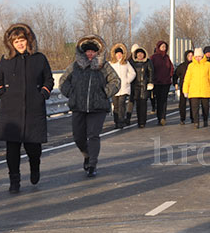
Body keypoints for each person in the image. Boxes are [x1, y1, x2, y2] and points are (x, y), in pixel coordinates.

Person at [0, 23, 53, 194]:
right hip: (11, 111)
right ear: (10, 43)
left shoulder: (39, 58)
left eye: (22, 40)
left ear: (28, 41)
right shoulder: (6, 60)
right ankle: (14, 179)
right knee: (12, 149)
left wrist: (42, 94)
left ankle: (35, 167)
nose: (19, 44)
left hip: (34, 110)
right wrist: (2, 93)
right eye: (16, 41)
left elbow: (49, 80)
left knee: (33, 148)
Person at [59, 35, 120, 178]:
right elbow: (63, 81)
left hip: (97, 107)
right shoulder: (75, 66)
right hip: (78, 106)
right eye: (87, 51)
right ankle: (86, 155)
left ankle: (92, 164)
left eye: (93, 51)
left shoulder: (104, 66)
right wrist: (72, 93)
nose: (90, 54)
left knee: (93, 135)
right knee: (78, 136)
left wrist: (104, 93)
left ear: (98, 52)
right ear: (83, 52)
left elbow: (116, 81)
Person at [182, 47, 210, 128]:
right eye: (196, 56)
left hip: (205, 89)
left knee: (205, 107)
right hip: (194, 90)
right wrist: (185, 90)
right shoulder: (191, 66)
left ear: (202, 56)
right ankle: (196, 122)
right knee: (194, 108)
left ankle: (205, 120)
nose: (198, 58)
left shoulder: (208, 65)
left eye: (200, 56)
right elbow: (187, 79)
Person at [109, 43, 136, 129]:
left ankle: (121, 121)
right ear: (115, 54)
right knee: (116, 105)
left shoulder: (126, 63)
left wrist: (128, 80)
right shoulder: (111, 64)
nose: (119, 55)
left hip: (124, 87)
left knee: (121, 104)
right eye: (117, 54)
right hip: (114, 88)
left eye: (120, 54)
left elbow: (133, 73)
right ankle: (116, 121)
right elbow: (107, 74)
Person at [128, 44, 154, 128]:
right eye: (138, 53)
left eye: (141, 53)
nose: (140, 55)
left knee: (143, 104)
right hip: (135, 86)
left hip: (144, 85)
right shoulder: (132, 63)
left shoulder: (147, 62)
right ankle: (139, 120)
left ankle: (142, 121)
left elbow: (151, 72)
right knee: (138, 104)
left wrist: (150, 82)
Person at [151, 40, 174, 126]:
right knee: (158, 100)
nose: (163, 48)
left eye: (165, 47)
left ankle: (163, 117)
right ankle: (159, 116)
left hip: (166, 82)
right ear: (158, 47)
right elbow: (151, 69)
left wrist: (170, 75)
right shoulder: (153, 57)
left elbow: (171, 68)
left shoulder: (167, 57)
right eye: (162, 47)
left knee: (164, 100)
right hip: (157, 82)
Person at [172, 49, 194, 125]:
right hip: (184, 86)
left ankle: (193, 117)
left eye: (192, 56)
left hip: (193, 86)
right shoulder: (182, 66)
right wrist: (175, 83)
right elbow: (175, 75)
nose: (190, 57)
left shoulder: (195, 65)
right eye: (189, 56)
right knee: (182, 103)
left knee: (193, 103)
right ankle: (182, 118)